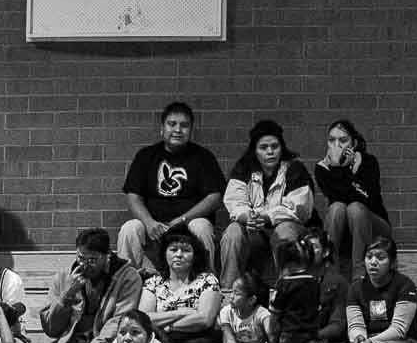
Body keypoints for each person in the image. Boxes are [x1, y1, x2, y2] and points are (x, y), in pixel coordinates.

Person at [116, 101, 223, 276]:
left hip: (188, 224)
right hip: (153, 229)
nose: (178, 130)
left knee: (202, 226)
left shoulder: (203, 157)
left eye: (184, 125)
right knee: (130, 228)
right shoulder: (146, 156)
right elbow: (133, 196)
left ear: (191, 130)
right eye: (172, 124)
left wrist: (182, 220)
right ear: (162, 128)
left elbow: (214, 197)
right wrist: (149, 223)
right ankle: (126, 283)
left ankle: (206, 283)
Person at [218, 119, 316, 290]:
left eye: (274, 146)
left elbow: (300, 208)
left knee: (284, 230)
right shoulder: (244, 168)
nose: (270, 152)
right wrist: (247, 216)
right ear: (255, 151)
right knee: (233, 231)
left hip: (289, 227)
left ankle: (286, 290)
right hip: (253, 228)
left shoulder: (294, 169)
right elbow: (234, 201)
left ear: (282, 147)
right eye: (263, 147)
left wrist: (268, 217)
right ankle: (228, 291)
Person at [311, 119, 392, 281]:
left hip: (373, 226)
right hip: (343, 228)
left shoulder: (368, 162)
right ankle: (330, 270)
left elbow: (366, 199)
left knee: (355, 207)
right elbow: (338, 197)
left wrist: (348, 169)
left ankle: (360, 272)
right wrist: (337, 167)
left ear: (353, 143)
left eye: (343, 140)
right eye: (332, 140)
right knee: (337, 208)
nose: (337, 145)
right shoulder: (322, 168)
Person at [338, 236, 417, 343]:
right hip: (369, 340)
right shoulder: (356, 288)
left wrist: (372, 342)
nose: (373, 262)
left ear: (392, 262)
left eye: (380, 257)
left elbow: (399, 329)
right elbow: (355, 324)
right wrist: (359, 339)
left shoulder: (405, 285)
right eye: (369, 257)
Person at [139, 230, 221, 343]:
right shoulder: (153, 283)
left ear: (195, 256)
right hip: (161, 338)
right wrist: (182, 312)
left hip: (196, 339)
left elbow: (204, 319)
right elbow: (143, 318)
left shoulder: (207, 280)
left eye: (186, 250)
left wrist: (168, 326)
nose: (179, 254)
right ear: (165, 254)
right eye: (173, 249)